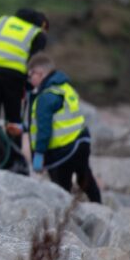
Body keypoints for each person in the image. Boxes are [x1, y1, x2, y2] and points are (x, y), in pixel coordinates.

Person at [27, 53, 101, 203]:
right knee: (85, 176)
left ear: (40, 73)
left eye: (30, 75)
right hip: (82, 141)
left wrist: (39, 153)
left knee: (61, 189)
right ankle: (99, 206)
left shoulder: (46, 96)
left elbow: (44, 128)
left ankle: (65, 218)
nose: (29, 79)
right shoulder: (66, 88)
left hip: (63, 151)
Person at [0, 8, 48, 146]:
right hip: (16, 78)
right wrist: (29, 85)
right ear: (42, 25)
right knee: (13, 120)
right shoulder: (37, 34)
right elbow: (35, 62)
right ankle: (13, 156)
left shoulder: (2, 21)